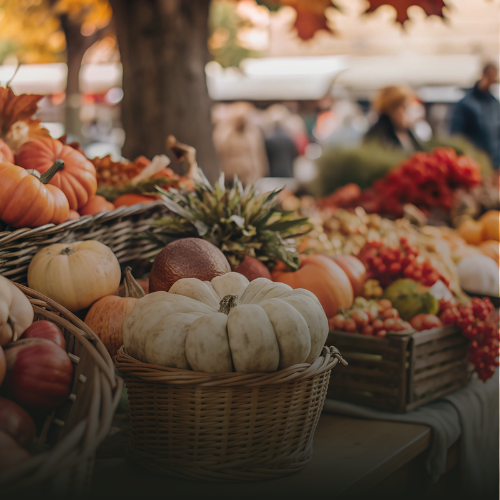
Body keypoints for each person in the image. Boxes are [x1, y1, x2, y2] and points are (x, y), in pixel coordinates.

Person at [450, 63, 499, 168]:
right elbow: (456, 135)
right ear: (483, 75)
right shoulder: (466, 104)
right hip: (473, 162)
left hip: (494, 162)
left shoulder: (494, 103)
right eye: (490, 77)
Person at [212, 102, 269, 186]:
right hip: (230, 174)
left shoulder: (252, 133)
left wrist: (261, 171)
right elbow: (220, 152)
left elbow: (258, 154)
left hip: (247, 175)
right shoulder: (225, 133)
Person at [363, 85, 423, 152]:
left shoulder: (407, 131)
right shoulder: (377, 136)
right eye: (405, 107)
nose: (408, 112)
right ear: (391, 109)